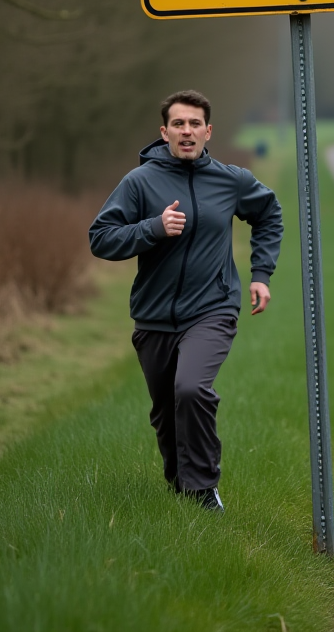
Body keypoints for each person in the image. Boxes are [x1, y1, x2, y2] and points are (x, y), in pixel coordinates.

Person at [89, 90, 283, 512]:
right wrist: (152, 228)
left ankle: (202, 490)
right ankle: (181, 487)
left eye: (195, 124)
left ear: (208, 131)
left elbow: (269, 213)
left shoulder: (230, 180)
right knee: (165, 412)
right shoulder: (139, 183)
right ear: (164, 132)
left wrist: (261, 274)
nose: (187, 131)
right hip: (154, 315)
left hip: (213, 306)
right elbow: (100, 238)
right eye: (179, 124)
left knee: (192, 389)